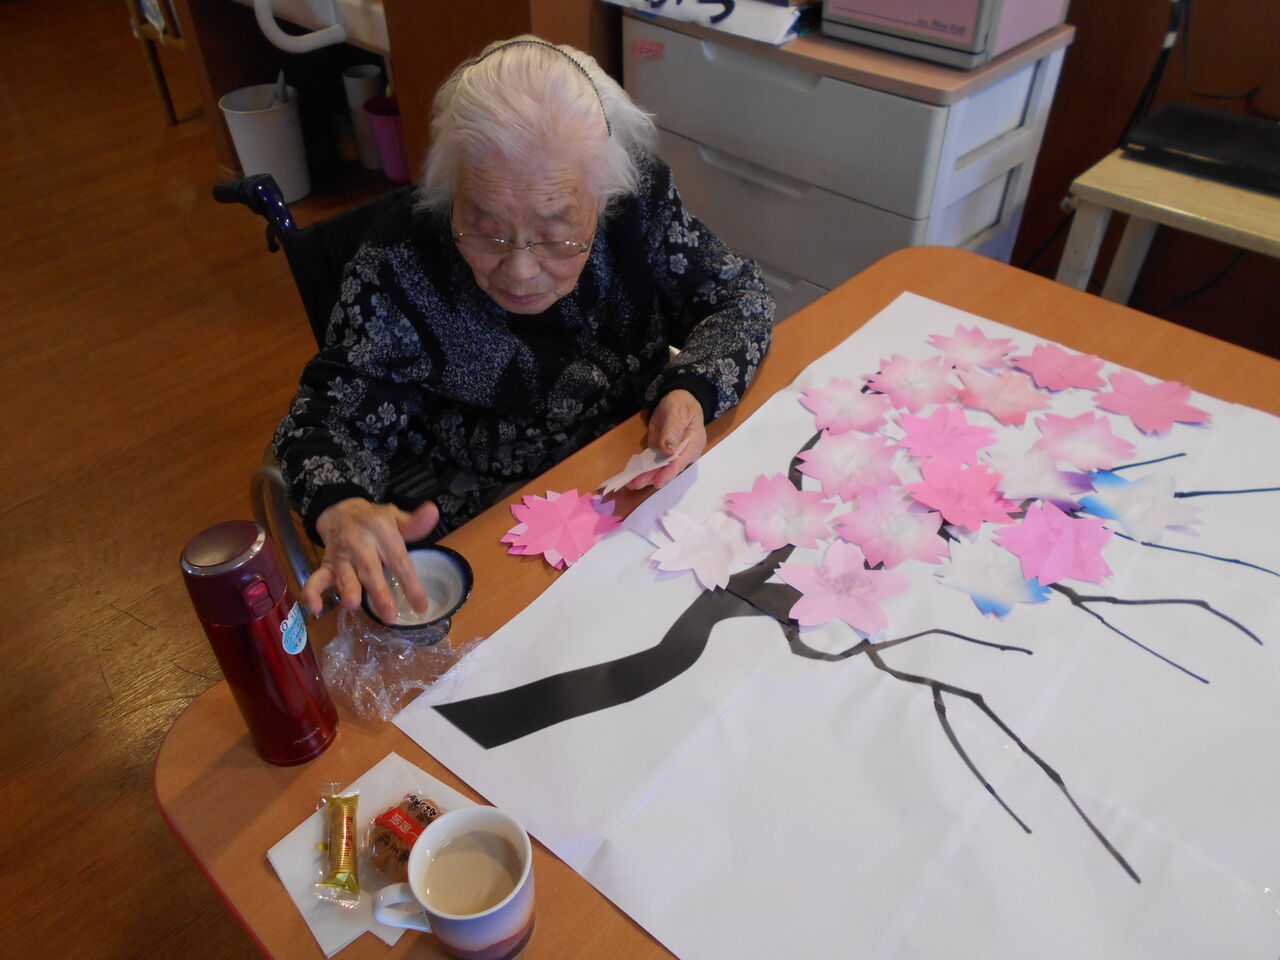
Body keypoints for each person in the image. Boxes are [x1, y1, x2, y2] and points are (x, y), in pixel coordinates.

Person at [274, 35, 774, 624]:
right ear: (450, 190)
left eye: (556, 234)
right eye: (485, 230)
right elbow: (325, 421)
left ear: (604, 197)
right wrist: (342, 506)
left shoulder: (637, 203)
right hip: (500, 522)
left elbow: (739, 296)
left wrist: (691, 389)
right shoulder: (399, 266)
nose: (519, 271)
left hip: (637, 467)